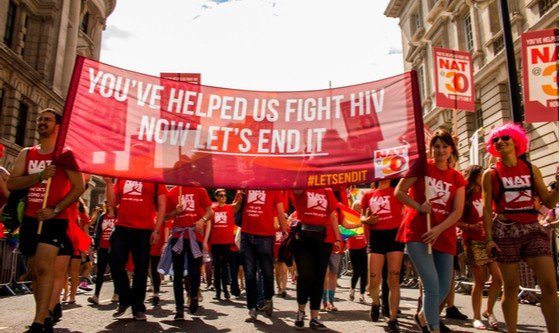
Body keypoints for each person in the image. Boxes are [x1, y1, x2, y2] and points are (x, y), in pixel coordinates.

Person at [7, 108, 85, 332]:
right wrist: (40, 176)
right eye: (40, 119)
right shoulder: (27, 153)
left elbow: (79, 187)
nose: (42, 122)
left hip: (54, 219)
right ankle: (44, 314)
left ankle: (39, 321)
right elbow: (12, 184)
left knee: (44, 266)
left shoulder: (65, 155)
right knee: (34, 270)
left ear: (58, 126)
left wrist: (55, 209)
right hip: (31, 219)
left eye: (47, 120)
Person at [483, 123, 559, 333]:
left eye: (505, 137)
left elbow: (549, 202)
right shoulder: (490, 174)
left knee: (550, 286)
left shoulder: (531, 169)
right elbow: (488, 210)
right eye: (495, 140)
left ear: (516, 141)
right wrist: (489, 238)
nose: (500, 142)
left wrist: (559, 185)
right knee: (511, 287)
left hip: (533, 229)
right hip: (505, 231)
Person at [395, 129, 467, 333]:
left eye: (444, 146)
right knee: (431, 284)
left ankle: (422, 316)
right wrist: (418, 206)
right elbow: (399, 192)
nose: (440, 150)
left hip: (443, 234)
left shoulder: (457, 178)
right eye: (436, 146)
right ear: (431, 148)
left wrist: (438, 229)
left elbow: (458, 211)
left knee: (444, 286)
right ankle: (432, 328)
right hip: (419, 232)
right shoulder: (422, 168)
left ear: (451, 148)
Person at [105, 177, 167, 321]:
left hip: (144, 230)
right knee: (115, 261)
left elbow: (162, 205)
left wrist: (157, 230)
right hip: (122, 227)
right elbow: (113, 202)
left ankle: (138, 307)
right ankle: (125, 298)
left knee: (141, 269)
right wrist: (108, 182)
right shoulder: (122, 176)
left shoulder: (156, 178)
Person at [457, 165, 502, 330]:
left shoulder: (488, 194)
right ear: (474, 176)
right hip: (472, 241)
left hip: (490, 240)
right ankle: (476, 316)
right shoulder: (466, 196)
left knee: (498, 278)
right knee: (480, 280)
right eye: (481, 175)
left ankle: (488, 311)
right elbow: (456, 219)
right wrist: (469, 226)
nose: (485, 177)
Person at [292, 187, 342, 330]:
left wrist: (338, 239)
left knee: (319, 277)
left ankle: (314, 317)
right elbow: (296, 189)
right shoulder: (301, 186)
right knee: (305, 275)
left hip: (323, 239)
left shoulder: (327, 191)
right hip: (302, 237)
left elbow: (332, 215)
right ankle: (300, 312)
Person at [162, 185, 213, 320]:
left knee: (194, 270)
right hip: (178, 236)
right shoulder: (172, 192)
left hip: (194, 236)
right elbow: (164, 217)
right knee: (177, 274)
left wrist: (202, 220)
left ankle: (194, 294)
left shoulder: (200, 190)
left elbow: (210, 211)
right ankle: (179, 308)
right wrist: (174, 213)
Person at [361, 179, 405, 333]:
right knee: (373, 279)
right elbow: (362, 217)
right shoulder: (368, 194)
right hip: (376, 237)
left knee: (394, 277)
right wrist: (366, 220)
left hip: (395, 236)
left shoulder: (398, 191)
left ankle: (393, 318)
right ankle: (375, 301)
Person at [240, 189, 287, 323]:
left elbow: (280, 210)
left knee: (266, 271)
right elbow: (236, 206)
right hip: (246, 234)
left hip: (266, 236)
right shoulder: (246, 184)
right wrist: (240, 197)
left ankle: (267, 298)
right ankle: (252, 308)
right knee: (249, 273)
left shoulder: (274, 187)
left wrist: (284, 231)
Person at [203, 189, 242, 301]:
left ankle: (225, 290)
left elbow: (239, 202)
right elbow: (208, 224)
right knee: (216, 267)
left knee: (225, 267)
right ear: (216, 197)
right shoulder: (212, 210)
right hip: (215, 242)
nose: (223, 197)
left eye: (225, 195)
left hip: (226, 242)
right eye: (221, 195)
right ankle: (218, 291)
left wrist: (241, 191)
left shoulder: (230, 208)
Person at [88, 204, 117, 305]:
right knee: (100, 271)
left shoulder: (118, 217)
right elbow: (98, 231)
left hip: (114, 247)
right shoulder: (102, 217)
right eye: (107, 202)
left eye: (110, 202)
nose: (108, 204)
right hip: (102, 247)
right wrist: (96, 246)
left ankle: (116, 293)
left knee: (115, 271)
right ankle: (96, 295)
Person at [347, 202, 368, 305]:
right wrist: (357, 225)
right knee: (357, 271)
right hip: (353, 247)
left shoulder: (364, 218)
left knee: (364, 272)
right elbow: (346, 229)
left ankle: (362, 294)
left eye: (360, 207)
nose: (359, 208)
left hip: (363, 247)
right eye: (356, 207)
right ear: (353, 208)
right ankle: (352, 289)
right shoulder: (349, 219)